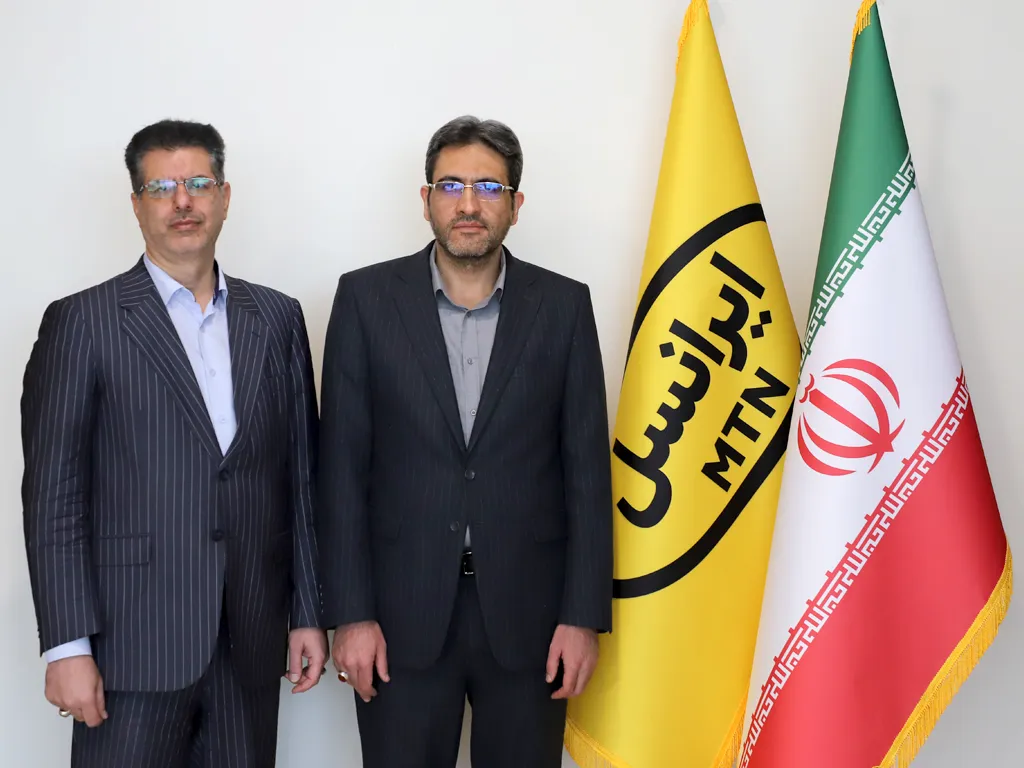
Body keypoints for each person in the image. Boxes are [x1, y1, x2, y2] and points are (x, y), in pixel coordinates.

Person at [20, 119, 326, 768]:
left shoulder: (277, 318)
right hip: (129, 647)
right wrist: (67, 647)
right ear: (137, 205)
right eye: (161, 187)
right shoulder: (83, 322)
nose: (182, 201)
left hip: (250, 639)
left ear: (224, 196)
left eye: (198, 184)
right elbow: (54, 496)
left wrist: (307, 612)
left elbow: (300, 478)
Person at [318, 115, 613, 768]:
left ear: (516, 204)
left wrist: (582, 616)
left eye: (489, 187)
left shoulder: (564, 306)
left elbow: (587, 473)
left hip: (533, 619)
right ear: (426, 199)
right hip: (398, 616)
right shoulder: (365, 300)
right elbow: (340, 468)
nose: (469, 204)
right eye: (451, 186)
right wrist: (352, 614)